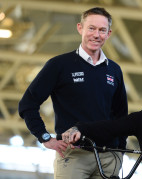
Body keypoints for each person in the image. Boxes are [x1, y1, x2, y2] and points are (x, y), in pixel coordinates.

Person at [18, 7, 128, 179]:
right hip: (73, 156)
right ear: (80, 28)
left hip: (109, 158)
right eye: (91, 28)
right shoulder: (59, 65)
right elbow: (27, 104)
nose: (96, 35)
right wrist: (45, 137)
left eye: (102, 30)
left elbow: (122, 115)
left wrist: (120, 150)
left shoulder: (114, 70)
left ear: (109, 33)